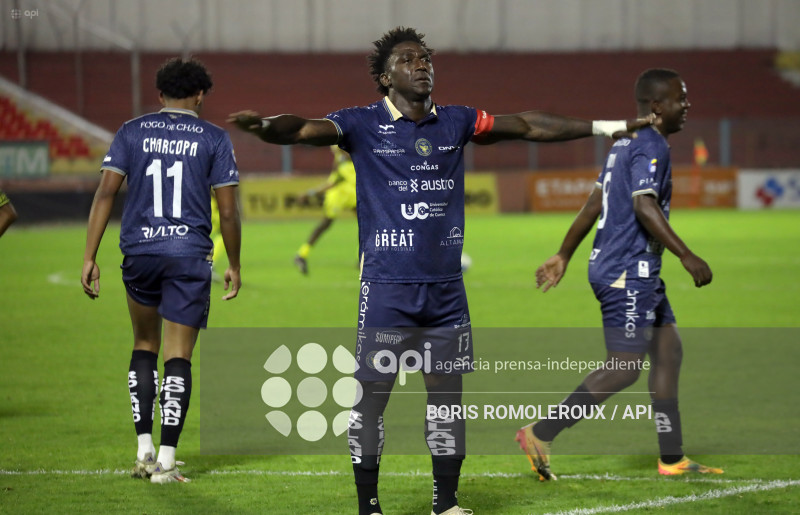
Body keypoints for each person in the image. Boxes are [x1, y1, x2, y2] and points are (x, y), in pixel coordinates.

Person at [228, 27, 651, 515]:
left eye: (426, 58)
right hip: (387, 288)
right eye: (409, 60)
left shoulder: (457, 122)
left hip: (446, 293)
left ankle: (445, 503)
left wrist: (604, 127)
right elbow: (302, 129)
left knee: (447, 405)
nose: (422, 64)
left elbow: (528, 125)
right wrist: (265, 128)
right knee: (371, 403)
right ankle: (369, 507)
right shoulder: (361, 124)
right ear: (386, 78)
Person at [523, 68, 722, 480]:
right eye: (680, 99)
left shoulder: (624, 145)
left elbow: (595, 203)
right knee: (625, 366)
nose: (687, 106)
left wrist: (564, 253)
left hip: (636, 268)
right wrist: (687, 255)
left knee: (669, 351)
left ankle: (672, 458)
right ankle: (540, 433)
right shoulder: (651, 146)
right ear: (656, 106)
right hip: (626, 271)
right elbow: (643, 206)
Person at [81, 57, 242, 484]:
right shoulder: (214, 137)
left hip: (140, 253)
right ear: (200, 95)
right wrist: (235, 264)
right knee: (178, 355)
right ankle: (167, 462)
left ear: (159, 95)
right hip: (188, 255)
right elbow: (228, 212)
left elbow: (104, 195)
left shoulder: (131, 131)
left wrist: (89, 256)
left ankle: (143, 450)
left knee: (144, 344)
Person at [294, 145, 357, 274]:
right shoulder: (341, 160)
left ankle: (361, 258)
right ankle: (301, 254)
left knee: (366, 226)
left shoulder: (351, 154)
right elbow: (333, 181)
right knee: (325, 224)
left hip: (354, 193)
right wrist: (310, 193)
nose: (332, 149)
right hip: (339, 194)